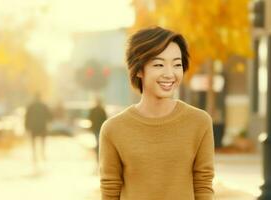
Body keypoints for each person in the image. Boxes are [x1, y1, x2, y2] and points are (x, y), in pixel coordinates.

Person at [99, 26, 215, 200]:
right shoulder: (113, 129)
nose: (170, 74)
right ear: (138, 69)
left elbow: (203, 186)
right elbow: (110, 191)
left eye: (177, 64)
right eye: (159, 64)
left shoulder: (199, 122)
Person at [25, 93, 52, 164]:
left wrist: (26, 126)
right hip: (42, 126)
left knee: (33, 141)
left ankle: (34, 154)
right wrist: (48, 121)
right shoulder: (44, 105)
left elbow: (27, 116)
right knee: (43, 140)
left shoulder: (31, 106)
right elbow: (49, 115)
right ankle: (42, 153)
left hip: (33, 127)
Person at [89, 97, 108, 162]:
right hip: (100, 128)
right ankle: (99, 155)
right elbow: (105, 119)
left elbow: (90, 118)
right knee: (100, 142)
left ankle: (98, 155)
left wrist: (92, 126)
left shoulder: (94, 110)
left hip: (96, 128)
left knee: (98, 141)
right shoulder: (102, 110)